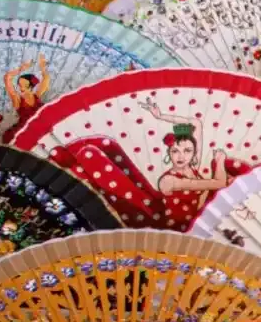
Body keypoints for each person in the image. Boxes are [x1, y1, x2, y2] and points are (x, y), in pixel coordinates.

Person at [44, 96, 245, 229]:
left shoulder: (192, 169)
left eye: (187, 151)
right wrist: (219, 162)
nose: (181, 156)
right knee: (103, 152)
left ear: (193, 153)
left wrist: (160, 116)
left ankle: (78, 165)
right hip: (158, 217)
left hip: (175, 223)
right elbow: (217, 183)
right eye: (175, 151)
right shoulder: (169, 180)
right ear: (169, 153)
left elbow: (196, 124)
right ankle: (73, 164)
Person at [1, 56, 46, 140]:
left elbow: (46, 79)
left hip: (41, 130)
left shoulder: (37, 95)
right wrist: (21, 69)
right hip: (23, 133)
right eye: (20, 85)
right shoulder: (17, 99)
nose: (21, 89)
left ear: (32, 86)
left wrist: (43, 69)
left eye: (25, 86)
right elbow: (7, 78)